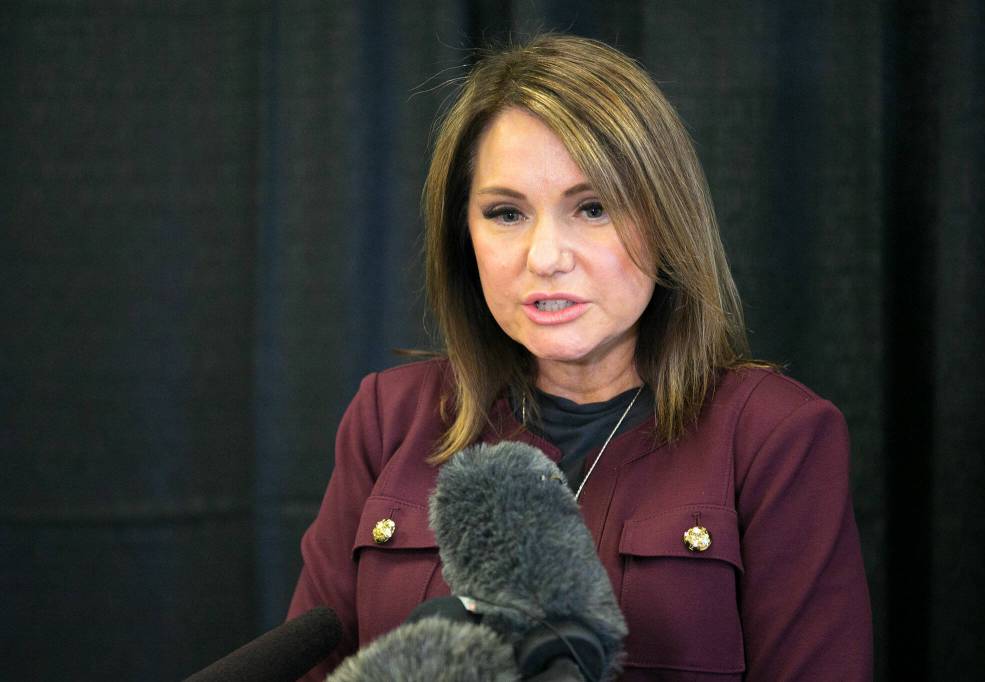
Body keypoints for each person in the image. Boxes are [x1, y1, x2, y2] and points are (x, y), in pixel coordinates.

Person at [288, 34, 873, 680]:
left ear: (667, 219)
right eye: (506, 213)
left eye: (592, 208)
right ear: (465, 235)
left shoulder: (775, 439)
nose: (545, 257)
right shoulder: (388, 418)